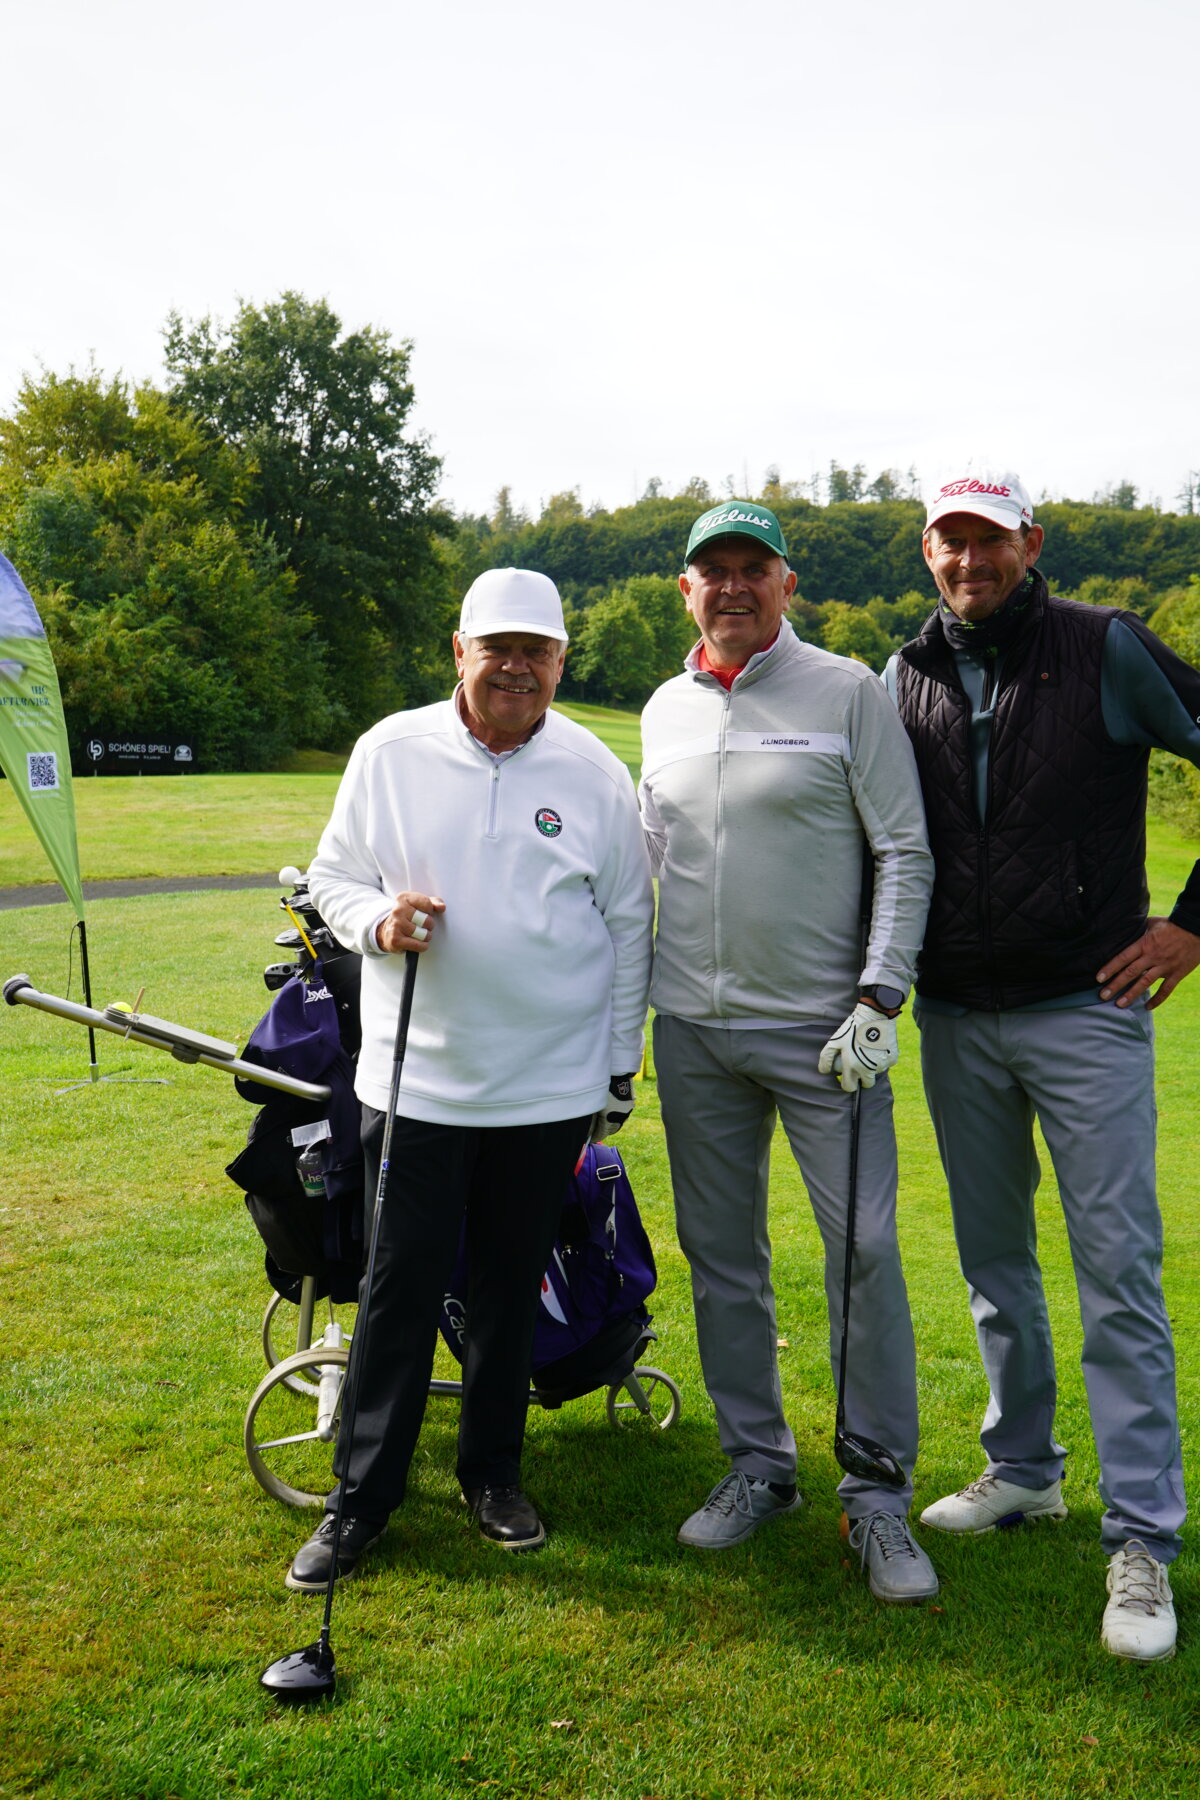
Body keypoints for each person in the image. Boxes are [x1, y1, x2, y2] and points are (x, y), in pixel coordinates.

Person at [286, 567, 653, 1589]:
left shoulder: (594, 772)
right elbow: (333, 877)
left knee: (507, 1288)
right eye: (499, 649)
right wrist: (377, 921)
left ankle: (493, 1475)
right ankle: (361, 1501)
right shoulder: (390, 751)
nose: (517, 669)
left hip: (547, 1088)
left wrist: (617, 1065)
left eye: (538, 651)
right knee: (398, 1291)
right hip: (419, 1085)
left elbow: (629, 925)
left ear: (561, 662)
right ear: (460, 651)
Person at [886, 469, 1200, 1661]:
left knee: (1116, 1270)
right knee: (994, 1263)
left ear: (1030, 542)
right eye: (950, 540)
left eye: (991, 539)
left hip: (1086, 1006)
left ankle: (1143, 1539)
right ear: (927, 551)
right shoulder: (904, 674)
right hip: (958, 1016)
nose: (969, 560)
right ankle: (1023, 1469)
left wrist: (1192, 925)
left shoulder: (1102, 645)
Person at [639, 500, 938, 1603]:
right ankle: (759, 1467)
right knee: (723, 1257)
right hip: (693, 1028)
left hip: (827, 1035)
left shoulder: (847, 691)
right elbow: (645, 868)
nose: (731, 586)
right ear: (686, 590)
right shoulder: (664, 709)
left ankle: (877, 1497)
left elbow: (903, 849)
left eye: (751, 568)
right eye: (710, 570)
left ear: (785, 584)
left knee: (863, 1252)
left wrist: (881, 993)